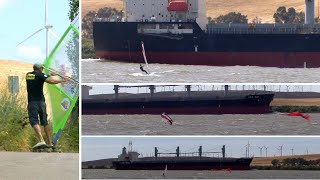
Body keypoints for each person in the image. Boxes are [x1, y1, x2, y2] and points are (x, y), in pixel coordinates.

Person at [26, 63, 68, 148]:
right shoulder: (41, 75)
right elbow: (50, 81)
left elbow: (39, 76)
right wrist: (62, 80)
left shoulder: (28, 75)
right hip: (41, 102)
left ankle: (42, 140)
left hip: (32, 102)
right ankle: (49, 143)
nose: (42, 69)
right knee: (44, 122)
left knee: (34, 121)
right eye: (42, 68)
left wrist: (49, 74)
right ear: (39, 69)